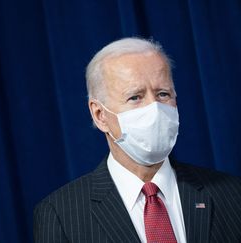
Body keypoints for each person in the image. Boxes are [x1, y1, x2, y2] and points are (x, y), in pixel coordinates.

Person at [33, 37, 241, 243]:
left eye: (162, 94)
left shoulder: (231, 194)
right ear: (99, 115)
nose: (154, 108)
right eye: (135, 97)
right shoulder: (60, 214)